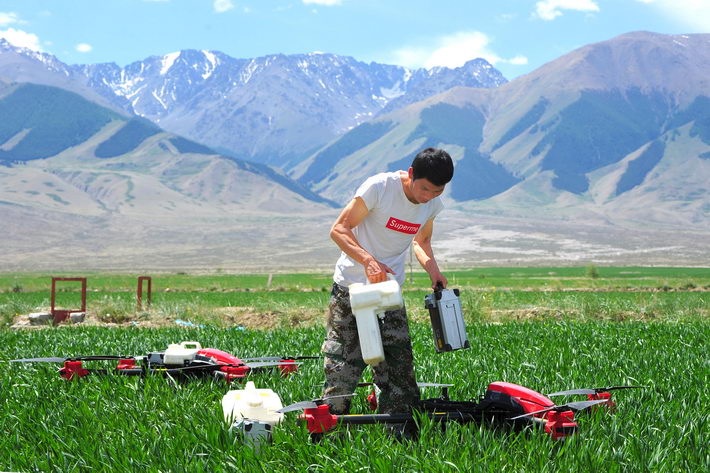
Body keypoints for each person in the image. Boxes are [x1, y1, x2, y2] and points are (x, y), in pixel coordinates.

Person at [320, 147, 454, 438]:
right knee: (344, 364)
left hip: (388, 294)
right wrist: (368, 261)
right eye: (425, 189)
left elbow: (422, 240)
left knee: (399, 366)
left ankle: (401, 437)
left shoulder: (431, 204)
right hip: (351, 289)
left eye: (437, 191)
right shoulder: (380, 187)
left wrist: (434, 271)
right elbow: (339, 229)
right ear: (410, 174)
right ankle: (329, 437)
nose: (429, 196)